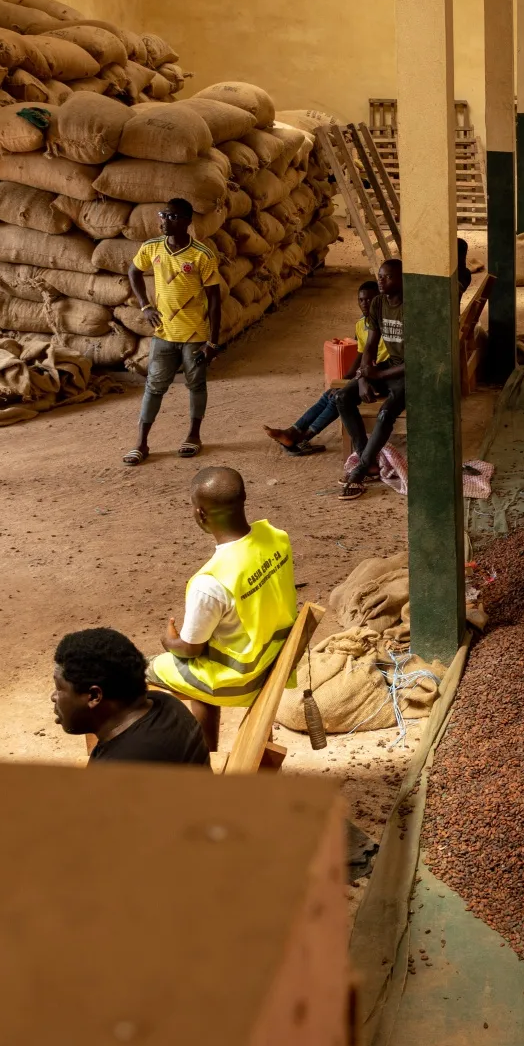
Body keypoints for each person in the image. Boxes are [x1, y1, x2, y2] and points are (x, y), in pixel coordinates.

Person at [148, 466, 297, 751]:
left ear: (200, 514)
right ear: (244, 498)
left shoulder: (210, 581)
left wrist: (169, 641)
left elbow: (190, 649)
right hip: (274, 664)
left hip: (239, 680)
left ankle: (187, 758)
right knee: (201, 662)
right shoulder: (277, 538)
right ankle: (209, 752)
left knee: (140, 669)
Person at [126, 198, 223, 466]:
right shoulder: (151, 248)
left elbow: (215, 300)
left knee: (196, 385)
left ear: (188, 222)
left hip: (195, 336)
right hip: (163, 334)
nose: (165, 221)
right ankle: (141, 443)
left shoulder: (202, 255)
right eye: (163, 215)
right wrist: (145, 306)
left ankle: (193, 436)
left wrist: (213, 342)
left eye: (172, 217)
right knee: (154, 386)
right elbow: (133, 271)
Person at [263, 278, 391, 456]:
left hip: (382, 377)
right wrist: (345, 379)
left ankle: (302, 437)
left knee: (338, 397)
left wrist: (354, 380)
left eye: (370, 299)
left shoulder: (389, 324)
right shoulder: (362, 323)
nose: (365, 304)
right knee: (330, 393)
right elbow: (362, 354)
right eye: (361, 300)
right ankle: (295, 431)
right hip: (366, 375)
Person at [51, 627, 210, 767]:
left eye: (59, 689)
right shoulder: (165, 703)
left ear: (94, 696)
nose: (53, 697)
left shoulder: (119, 770)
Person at [340, 258, 405, 501]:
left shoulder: (410, 307)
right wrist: (365, 375)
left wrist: (378, 374)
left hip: (409, 374)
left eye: (386, 277)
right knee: (342, 397)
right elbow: (370, 344)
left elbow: (417, 362)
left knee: (386, 413)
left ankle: (359, 469)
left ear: (402, 280)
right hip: (386, 368)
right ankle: (366, 460)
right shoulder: (378, 303)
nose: (380, 281)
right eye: (379, 276)